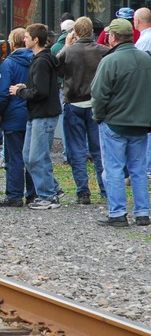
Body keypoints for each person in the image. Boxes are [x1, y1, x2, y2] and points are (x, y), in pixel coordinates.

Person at [90, 17, 151, 227]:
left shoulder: (109, 61)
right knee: (138, 169)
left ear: (112, 37)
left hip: (114, 123)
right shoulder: (146, 59)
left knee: (114, 169)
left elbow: (98, 94)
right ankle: (143, 213)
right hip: (141, 124)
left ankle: (117, 214)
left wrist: (98, 116)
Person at [57, 16, 109, 203]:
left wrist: (66, 45)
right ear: (93, 32)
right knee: (99, 150)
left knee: (76, 150)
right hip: (95, 103)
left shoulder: (69, 52)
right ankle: (105, 189)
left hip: (73, 102)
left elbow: (55, 67)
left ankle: (83, 192)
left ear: (75, 32)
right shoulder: (103, 51)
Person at [10, 23, 62, 210]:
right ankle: (53, 188)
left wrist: (20, 92)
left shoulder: (41, 61)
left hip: (43, 114)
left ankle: (48, 196)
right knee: (28, 156)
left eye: (26, 36)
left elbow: (40, 92)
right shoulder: (39, 59)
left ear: (35, 39)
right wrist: (25, 88)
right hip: (37, 114)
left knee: (37, 157)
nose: (23, 39)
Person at [0, 28, 36, 207]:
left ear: (13, 43)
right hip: (33, 112)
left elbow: (3, 93)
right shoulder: (36, 60)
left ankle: (14, 195)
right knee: (32, 156)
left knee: (14, 157)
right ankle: (33, 193)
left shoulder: (9, 64)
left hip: (13, 114)